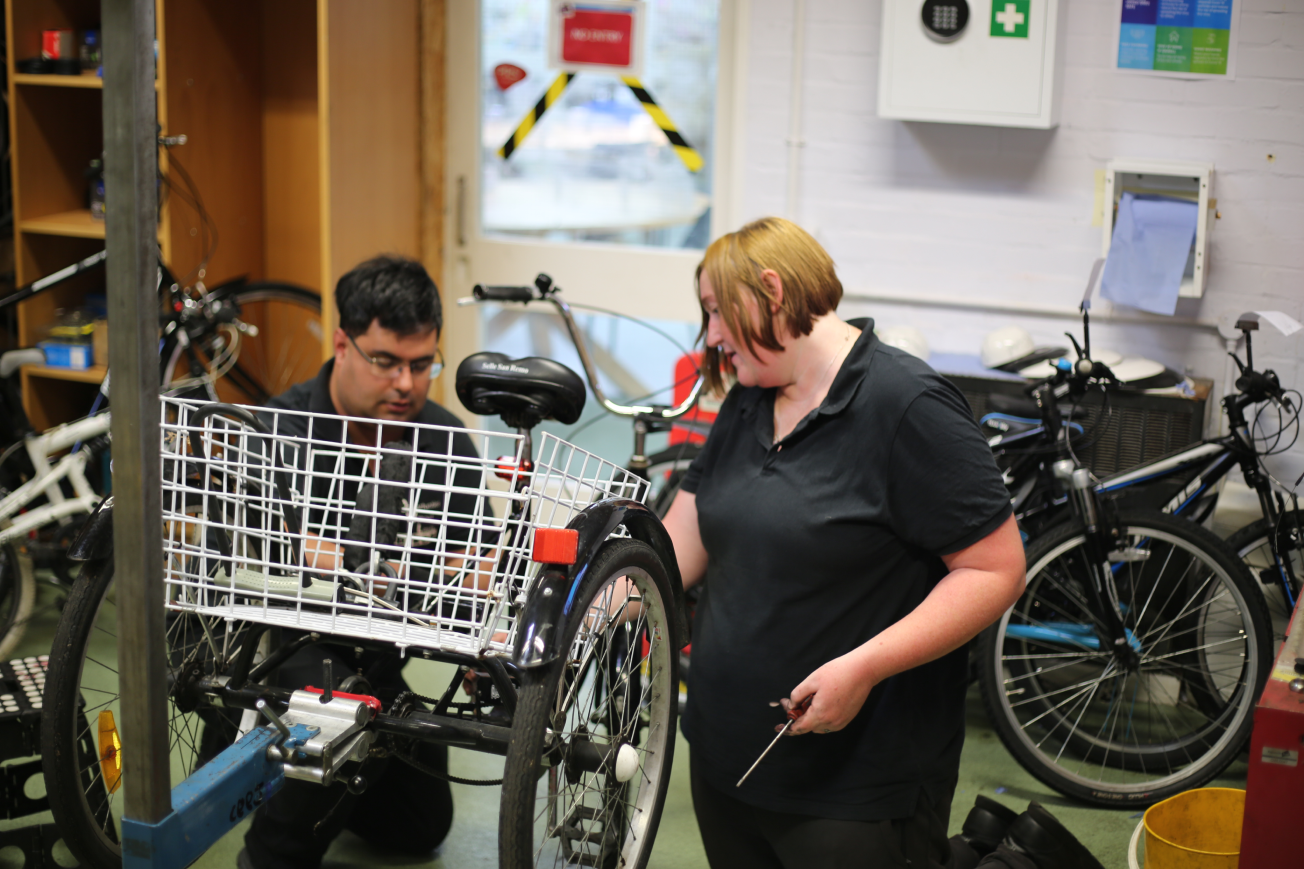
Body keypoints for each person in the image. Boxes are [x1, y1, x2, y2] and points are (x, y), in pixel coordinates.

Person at [662, 217, 1026, 868]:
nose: (711, 335)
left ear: (771, 291)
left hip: (851, 792)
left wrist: (863, 667)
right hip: (725, 760)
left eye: (716, 311)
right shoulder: (750, 397)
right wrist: (579, 614)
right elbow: (680, 545)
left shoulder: (907, 405)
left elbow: (994, 570)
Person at [237, 255, 469, 869]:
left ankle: (325, 783)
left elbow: (474, 569)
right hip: (278, 650)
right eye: (385, 362)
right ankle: (270, 854)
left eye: (422, 365)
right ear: (342, 343)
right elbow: (236, 555)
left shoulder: (445, 441)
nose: (405, 385)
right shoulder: (278, 430)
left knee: (421, 828)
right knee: (336, 707)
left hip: (381, 649)